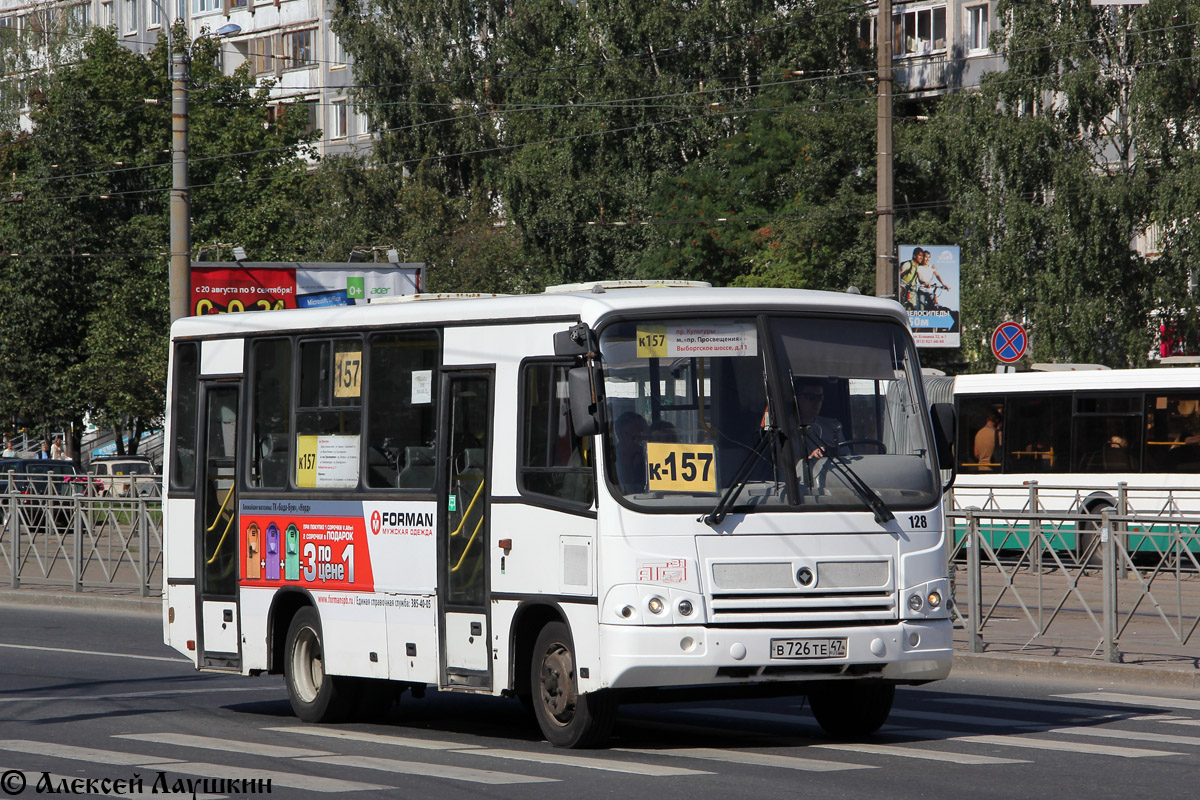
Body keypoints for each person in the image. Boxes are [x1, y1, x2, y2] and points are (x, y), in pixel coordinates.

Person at [794, 379, 845, 458]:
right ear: (796, 398)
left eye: (820, 397)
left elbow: (846, 456)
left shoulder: (833, 427)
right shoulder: (785, 430)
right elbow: (784, 466)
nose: (817, 402)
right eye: (811, 397)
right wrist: (811, 458)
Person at [613, 411, 649, 491]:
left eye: (641, 431)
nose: (640, 435)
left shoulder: (647, 455)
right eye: (634, 433)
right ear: (619, 433)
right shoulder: (607, 456)